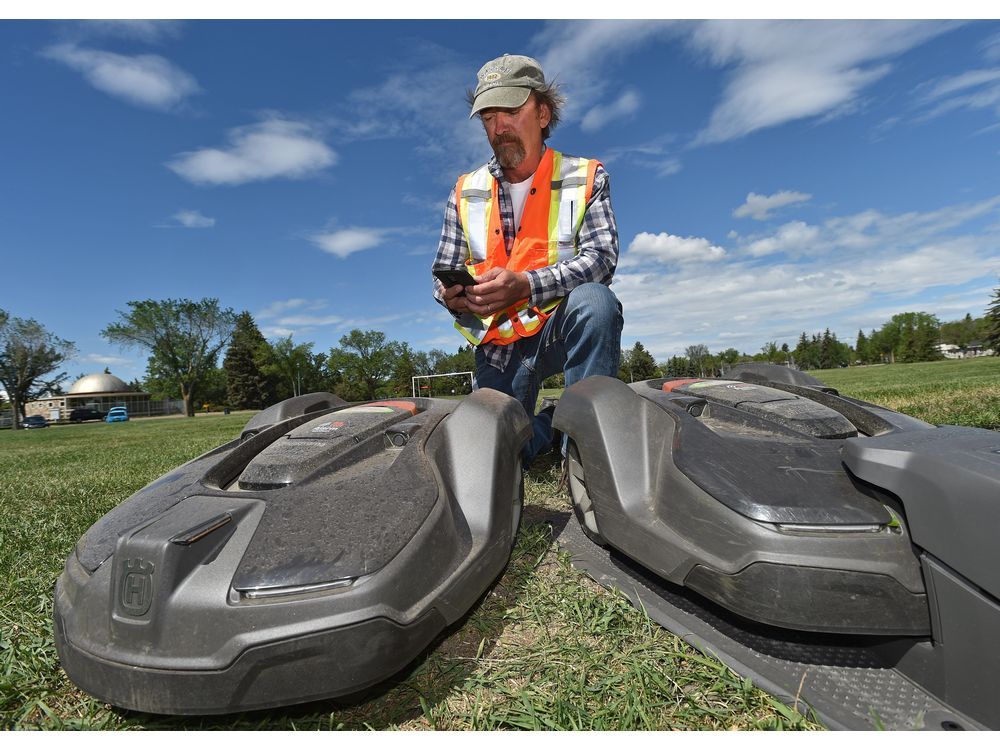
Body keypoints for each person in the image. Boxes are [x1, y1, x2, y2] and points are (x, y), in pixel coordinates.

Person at [432, 53, 623, 463]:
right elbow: (442, 270)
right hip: (499, 344)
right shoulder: (464, 190)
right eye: (488, 117)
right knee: (499, 455)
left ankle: (586, 455)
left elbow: (601, 258)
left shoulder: (585, 176)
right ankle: (552, 428)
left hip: (557, 324)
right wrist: (451, 296)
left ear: (542, 113)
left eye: (512, 111)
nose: (499, 128)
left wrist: (526, 285)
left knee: (596, 302)